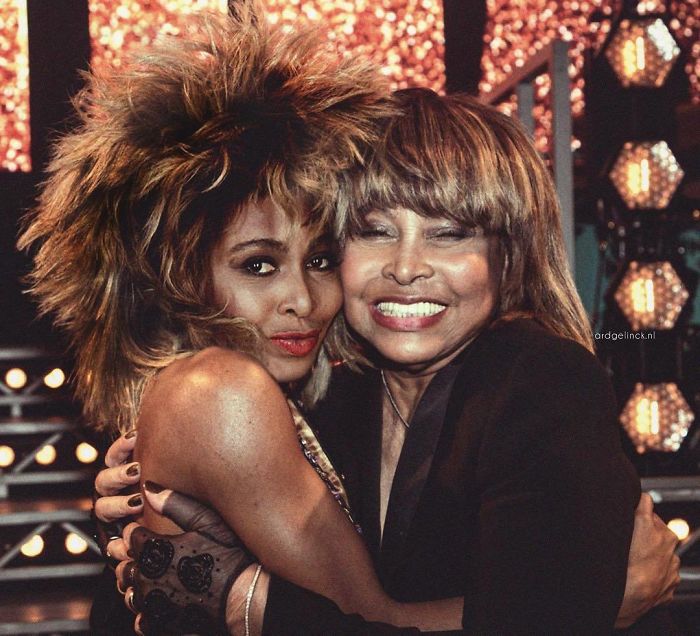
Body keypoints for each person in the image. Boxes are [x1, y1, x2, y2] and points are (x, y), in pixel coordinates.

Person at [101, 88, 680, 633]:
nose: (406, 267)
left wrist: (249, 602)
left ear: (510, 256)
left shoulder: (542, 383)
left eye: (449, 234)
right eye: (374, 231)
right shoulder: (335, 388)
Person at [19, 9, 473, 635]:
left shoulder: (286, 395)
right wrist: (585, 606)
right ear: (184, 276)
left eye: (320, 260)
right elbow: (379, 625)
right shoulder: (219, 392)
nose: (302, 299)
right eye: (258, 265)